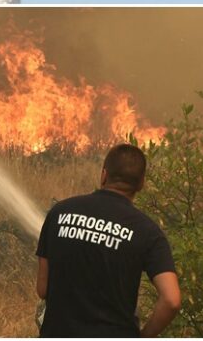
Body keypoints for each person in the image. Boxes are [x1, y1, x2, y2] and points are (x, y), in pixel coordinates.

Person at [35, 143, 181, 337]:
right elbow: (171, 300)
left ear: (104, 175)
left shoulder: (59, 213)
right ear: (141, 184)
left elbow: (43, 289)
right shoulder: (148, 232)